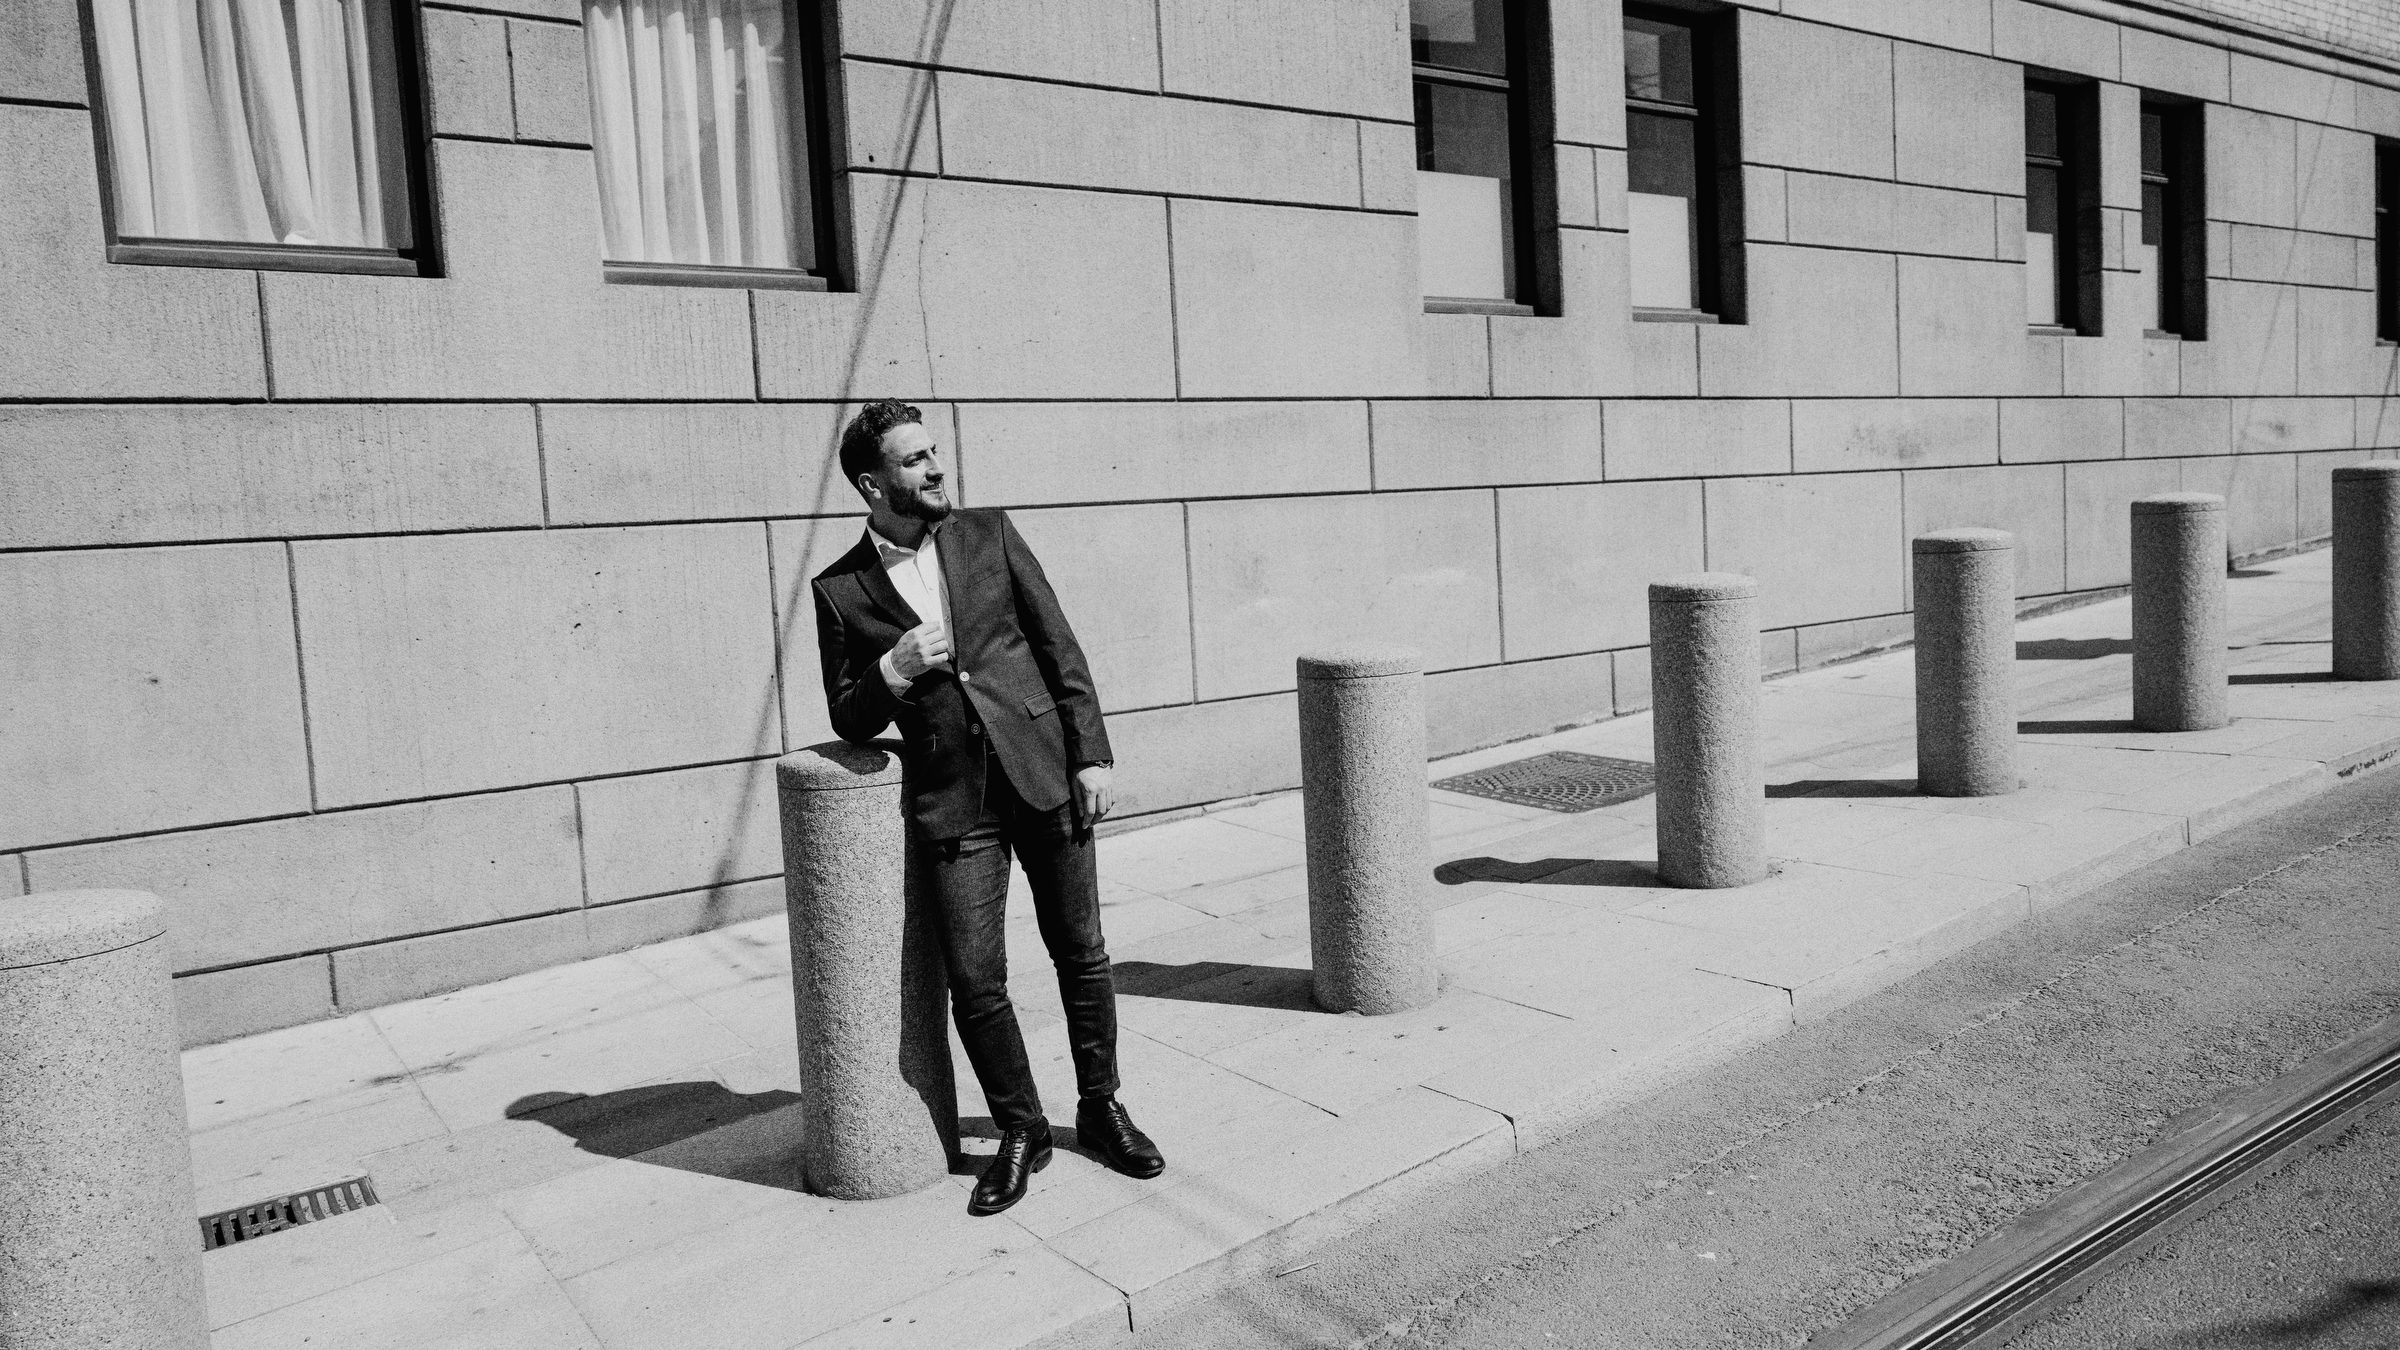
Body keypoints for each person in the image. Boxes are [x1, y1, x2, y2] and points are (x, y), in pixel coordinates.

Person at [811, 399, 1165, 1216]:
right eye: (914, 459)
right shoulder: (840, 589)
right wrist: (895, 666)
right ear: (873, 485)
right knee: (975, 981)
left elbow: (1057, 645)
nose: (936, 467)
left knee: (1082, 951)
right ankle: (1021, 1129)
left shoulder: (989, 533)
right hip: (954, 800)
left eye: (933, 451)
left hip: (1043, 770)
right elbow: (848, 713)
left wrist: (1093, 753)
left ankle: (1101, 1106)